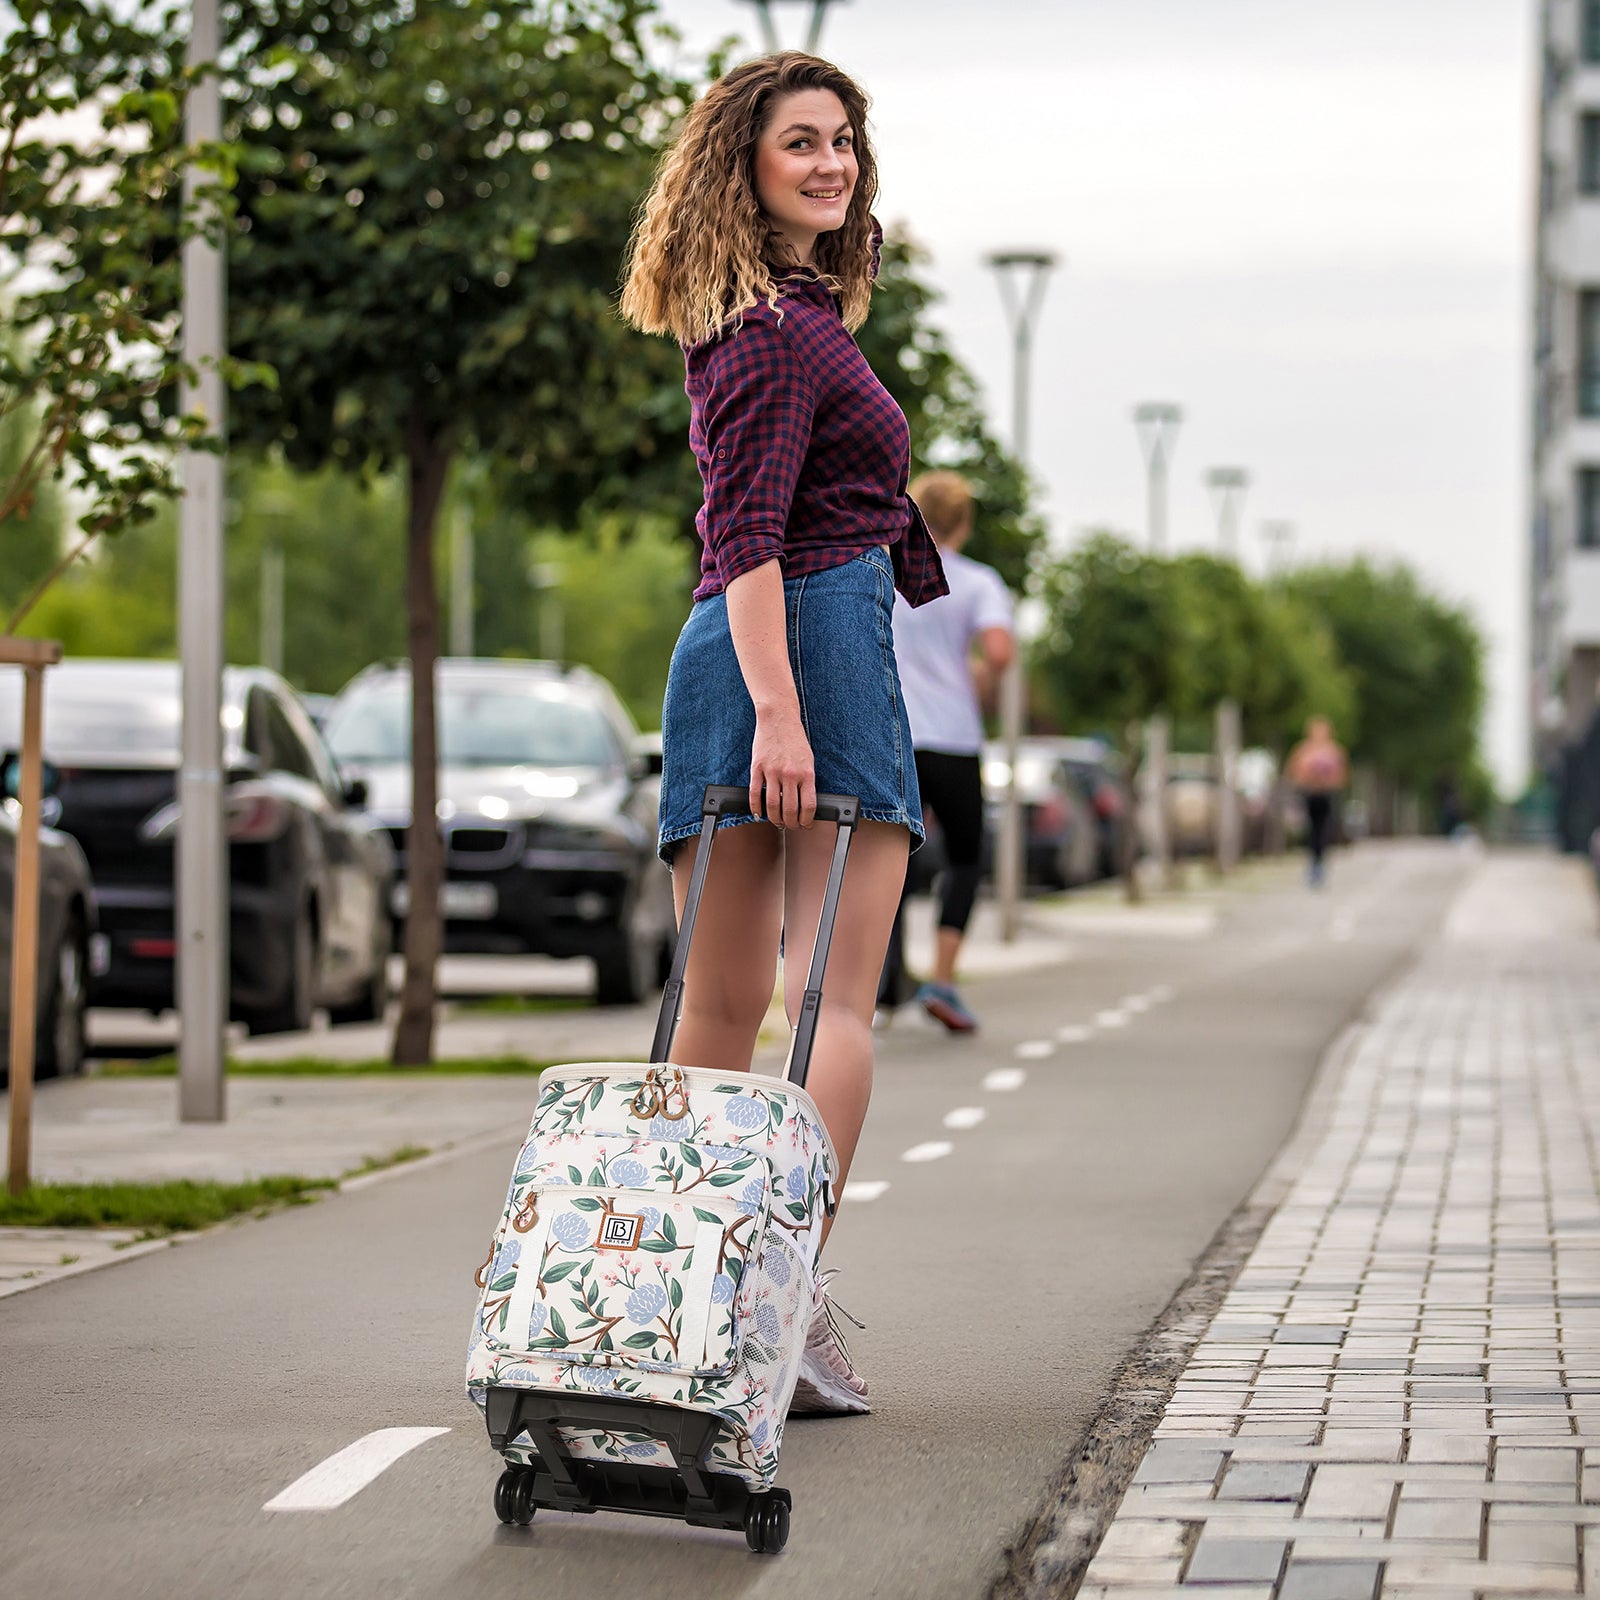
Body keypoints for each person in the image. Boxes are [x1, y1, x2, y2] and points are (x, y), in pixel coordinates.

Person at [619, 52, 947, 1415]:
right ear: (743, 169)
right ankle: (776, 1305)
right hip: (795, 646)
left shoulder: (768, 319)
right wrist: (782, 713)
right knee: (833, 993)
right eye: (800, 143)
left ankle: (685, 1300)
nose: (831, 164)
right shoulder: (775, 331)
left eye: (844, 144)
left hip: (754, 647)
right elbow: (747, 532)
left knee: (726, 1000)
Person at [880, 471, 1014, 1032]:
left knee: (885, 858)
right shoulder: (980, 582)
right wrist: (978, 681)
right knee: (964, 857)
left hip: (891, 732)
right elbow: (1000, 651)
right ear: (963, 522)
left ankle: (878, 988)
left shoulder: (885, 571)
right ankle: (942, 978)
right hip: (955, 738)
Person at [1285, 716, 1349, 887]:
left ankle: (1320, 864)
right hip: (1309, 795)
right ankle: (1312, 863)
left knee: (1323, 830)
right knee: (1310, 831)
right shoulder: (1303, 751)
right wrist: (1308, 780)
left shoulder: (1334, 751)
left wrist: (1327, 782)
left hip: (1326, 796)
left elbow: (1342, 776)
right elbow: (1294, 773)